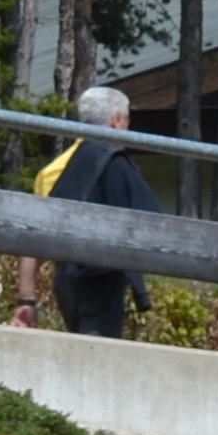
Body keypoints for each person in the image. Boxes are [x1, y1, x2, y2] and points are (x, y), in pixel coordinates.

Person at [35, 87, 161, 338]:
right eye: (127, 121)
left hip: (65, 278)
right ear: (115, 120)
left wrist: (26, 297)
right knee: (96, 351)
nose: (127, 130)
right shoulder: (115, 162)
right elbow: (154, 222)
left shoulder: (59, 168)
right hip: (100, 279)